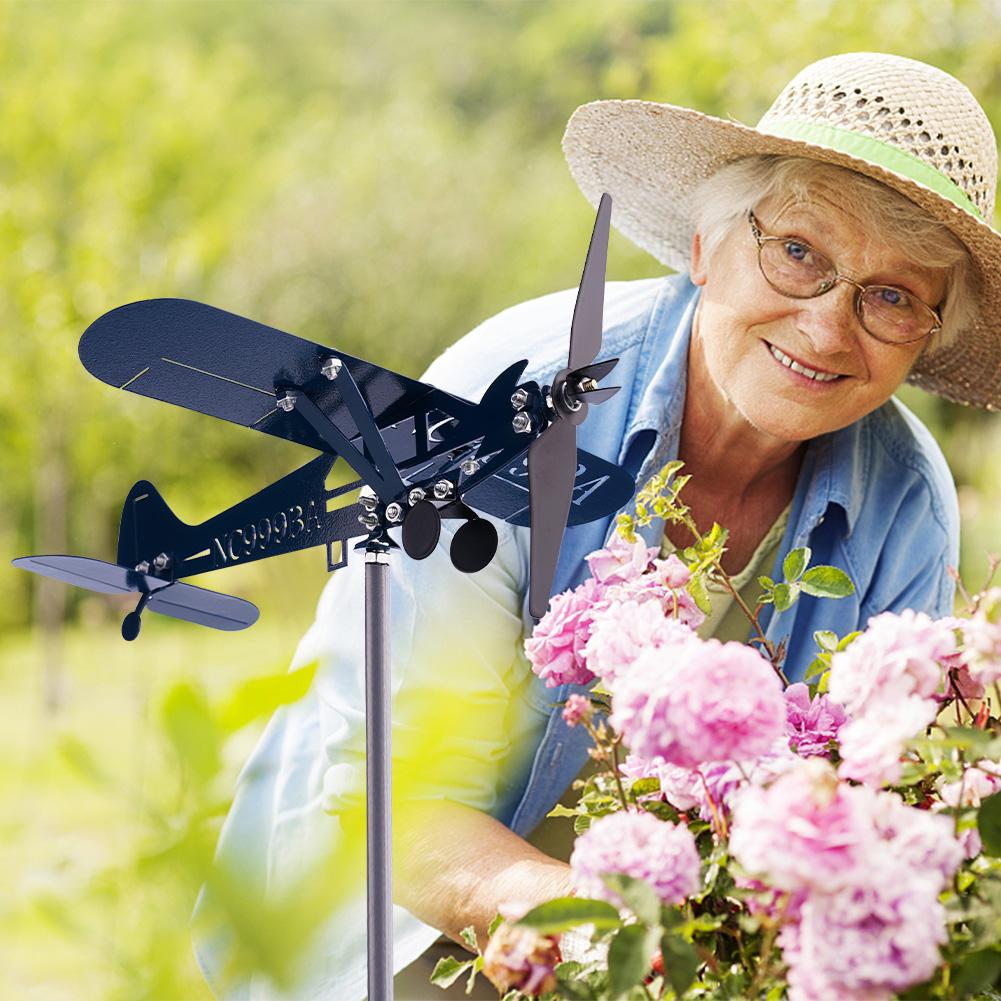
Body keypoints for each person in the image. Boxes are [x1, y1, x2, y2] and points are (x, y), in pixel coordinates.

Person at [192, 52, 1000, 999]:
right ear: (705, 246)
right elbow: (389, 798)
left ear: (926, 338)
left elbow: (864, 812)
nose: (827, 328)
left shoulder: (906, 501)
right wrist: (597, 934)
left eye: (893, 296)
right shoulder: (499, 407)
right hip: (387, 920)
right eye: (798, 252)